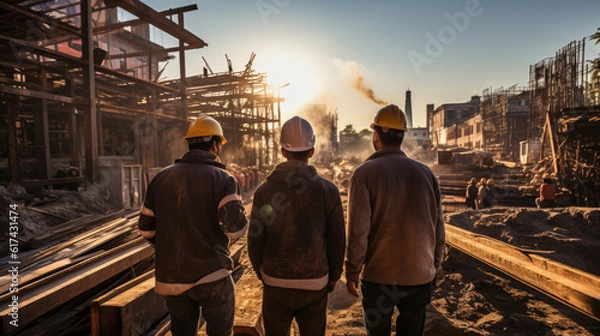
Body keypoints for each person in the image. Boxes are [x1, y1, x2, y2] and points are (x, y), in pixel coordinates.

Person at [138, 115, 248, 336]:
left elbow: (146, 229)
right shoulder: (223, 179)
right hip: (212, 275)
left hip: (173, 279)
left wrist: (174, 249)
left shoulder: (160, 178)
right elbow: (236, 230)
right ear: (216, 145)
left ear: (190, 144)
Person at [345, 105, 445, 336]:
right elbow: (438, 226)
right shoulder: (426, 174)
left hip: (379, 278)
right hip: (419, 275)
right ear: (402, 137)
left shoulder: (364, 174)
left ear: (376, 136)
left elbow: (358, 231)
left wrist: (352, 270)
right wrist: (434, 264)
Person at [248, 116, 346, 336]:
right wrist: (333, 276)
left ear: (283, 151)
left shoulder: (264, 191)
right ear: (312, 151)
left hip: (275, 282)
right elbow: (337, 239)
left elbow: (255, 239)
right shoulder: (327, 190)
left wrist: (261, 272)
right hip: (315, 282)